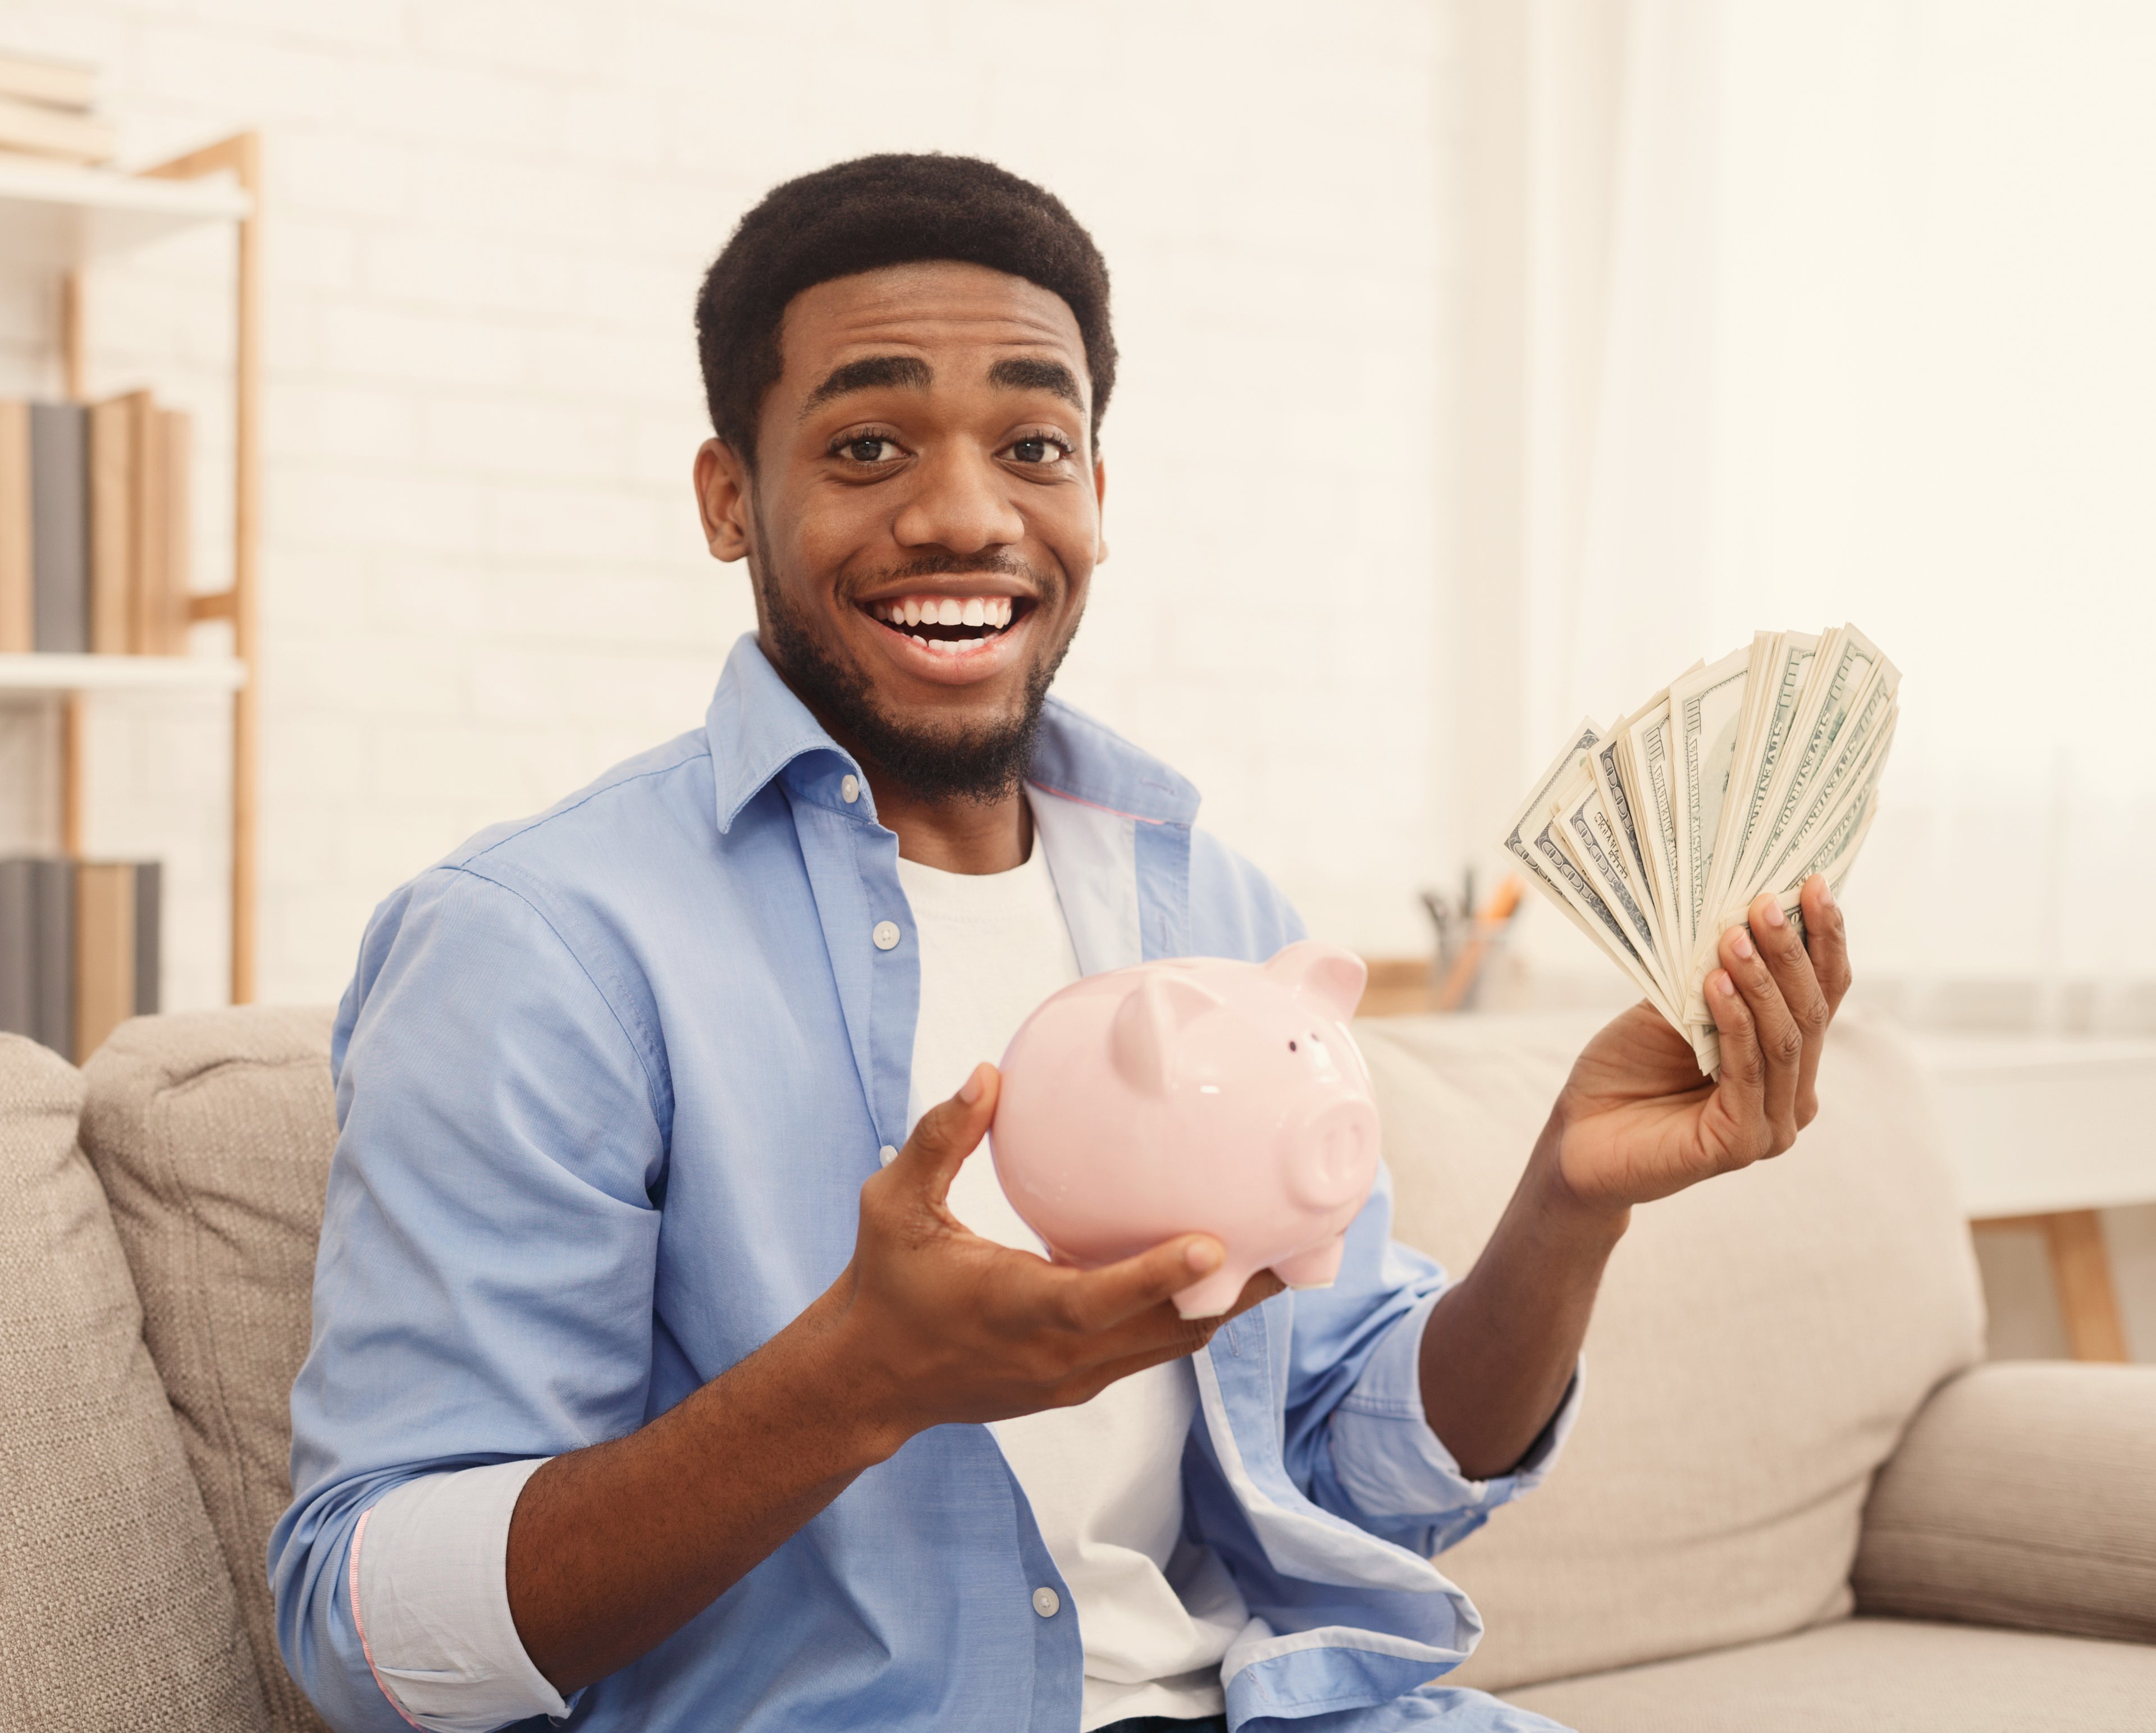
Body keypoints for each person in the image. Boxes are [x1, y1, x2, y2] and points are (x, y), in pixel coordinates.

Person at [272, 154, 1854, 1733]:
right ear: (729, 496)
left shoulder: (1217, 917)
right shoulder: (537, 949)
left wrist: (1565, 1205)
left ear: (1097, 494)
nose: (965, 514)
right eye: (869, 444)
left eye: (1036, 444)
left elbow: (1350, 1470)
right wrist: (855, 1383)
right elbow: (365, 1630)